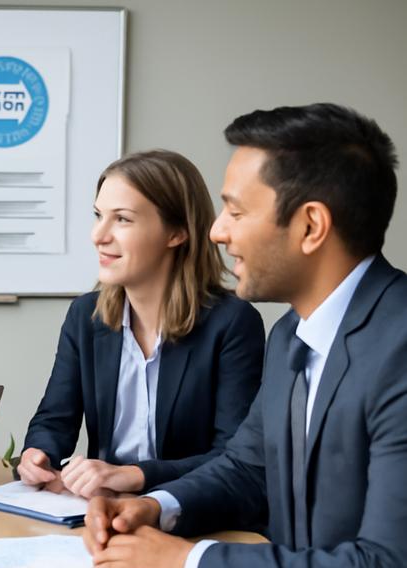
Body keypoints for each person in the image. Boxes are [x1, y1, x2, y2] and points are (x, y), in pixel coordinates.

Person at [82, 104, 407, 568]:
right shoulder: (291, 335)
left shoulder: (398, 348)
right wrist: (156, 508)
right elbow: (247, 468)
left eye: (234, 211)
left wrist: (188, 564)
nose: (215, 231)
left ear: (310, 226)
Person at [18, 150, 265, 498]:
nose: (98, 235)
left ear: (176, 232)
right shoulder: (85, 316)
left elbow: (234, 457)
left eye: (122, 219)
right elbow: (54, 420)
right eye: (98, 215)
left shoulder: (232, 323)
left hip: (189, 509)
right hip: (97, 508)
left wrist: (135, 476)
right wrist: (38, 454)